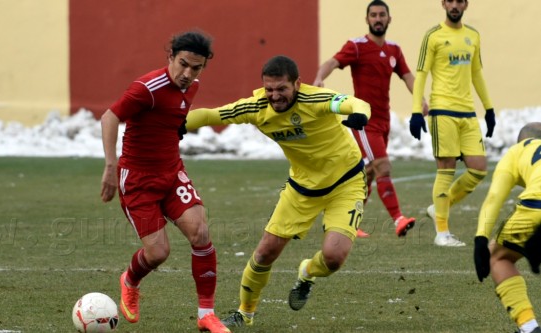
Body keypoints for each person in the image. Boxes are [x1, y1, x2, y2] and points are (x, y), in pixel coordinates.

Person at [185, 55, 371, 327]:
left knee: (333, 258)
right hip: (301, 189)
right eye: (269, 89)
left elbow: (355, 102)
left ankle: (307, 271)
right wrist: (177, 125)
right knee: (264, 254)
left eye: (281, 89)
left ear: (297, 83)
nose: (275, 96)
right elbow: (212, 114)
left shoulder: (316, 100)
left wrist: (358, 114)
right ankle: (244, 313)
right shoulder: (257, 107)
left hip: (346, 182)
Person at [100, 31, 230, 333]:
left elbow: (169, 117)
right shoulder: (147, 87)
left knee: (200, 232)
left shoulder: (192, 86)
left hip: (171, 173)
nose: (187, 74)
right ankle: (130, 280)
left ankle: (206, 314)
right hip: (138, 180)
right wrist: (110, 165)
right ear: (170, 56)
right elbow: (109, 117)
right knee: (158, 253)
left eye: (195, 68)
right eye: (182, 64)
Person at [313, 0, 427, 238]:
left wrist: (420, 100)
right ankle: (398, 219)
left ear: (389, 19)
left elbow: (407, 77)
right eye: (373, 15)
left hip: (384, 121)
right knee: (382, 166)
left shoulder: (394, 50)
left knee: (368, 173)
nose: (377, 19)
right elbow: (333, 62)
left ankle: (347, 222)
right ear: (367, 20)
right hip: (364, 121)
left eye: (381, 15)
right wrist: (319, 77)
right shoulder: (356, 46)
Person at [409, 0, 495, 247]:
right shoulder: (433, 36)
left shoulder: (473, 35)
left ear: (466, 5)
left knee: (478, 169)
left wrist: (488, 108)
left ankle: (438, 207)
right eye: (451, 1)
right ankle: (442, 233)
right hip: (442, 111)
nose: (455, 5)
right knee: (445, 169)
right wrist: (416, 111)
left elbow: (476, 72)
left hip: (467, 113)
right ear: (443, 4)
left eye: (460, 1)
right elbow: (421, 74)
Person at [473, 122, 541, 333]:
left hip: (535, 207)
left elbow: (494, 197)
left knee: (499, 256)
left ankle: (529, 327)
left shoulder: (516, 152)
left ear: (520, 140)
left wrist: (481, 239)